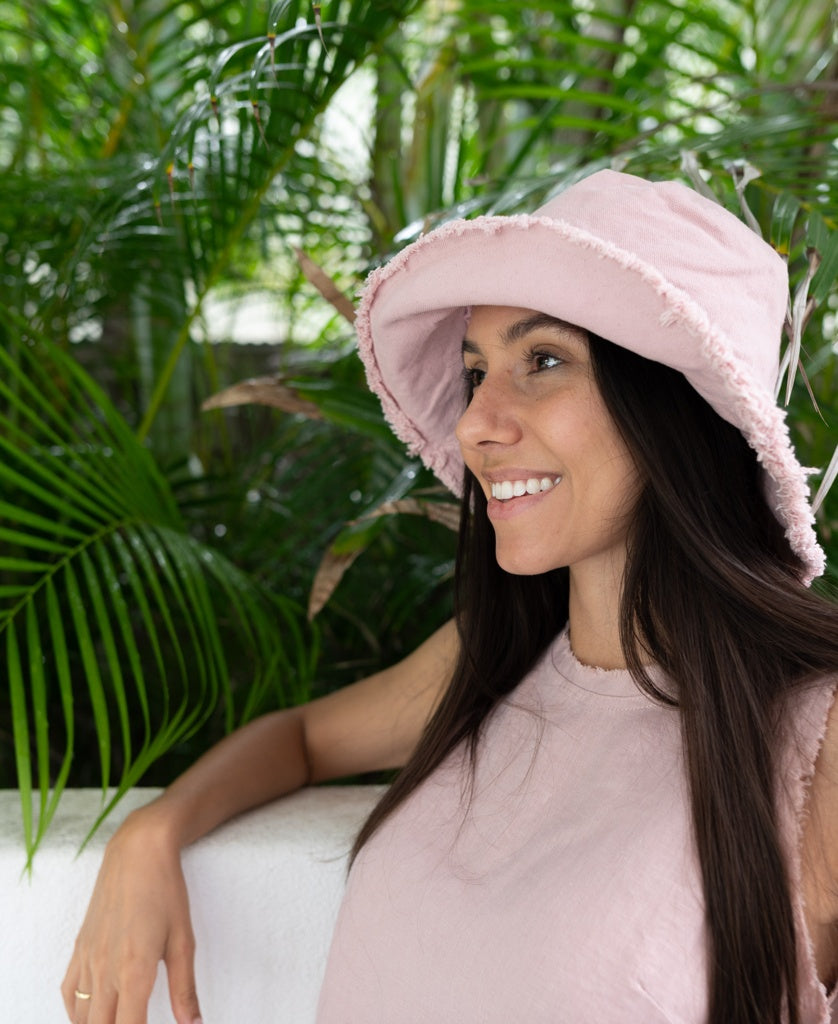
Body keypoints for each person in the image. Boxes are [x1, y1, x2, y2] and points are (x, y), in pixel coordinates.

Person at [63, 170, 838, 1024]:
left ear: (673, 401)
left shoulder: (815, 737)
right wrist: (154, 832)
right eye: (475, 374)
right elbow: (302, 741)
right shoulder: (494, 661)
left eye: (543, 361)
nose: (475, 423)